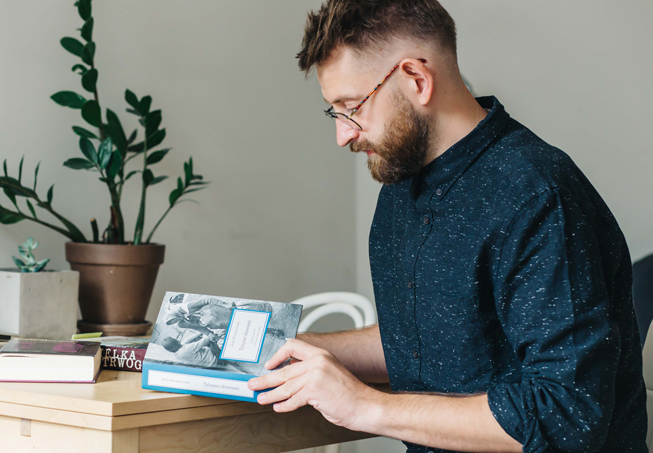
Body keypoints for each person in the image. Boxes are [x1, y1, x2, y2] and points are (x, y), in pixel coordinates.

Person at [247, 1, 648, 452]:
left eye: (350, 106)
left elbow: (567, 414)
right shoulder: (401, 188)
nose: (343, 134)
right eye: (334, 111)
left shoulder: (536, 194)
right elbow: (429, 336)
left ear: (417, 79)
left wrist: (364, 406)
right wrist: (292, 351)